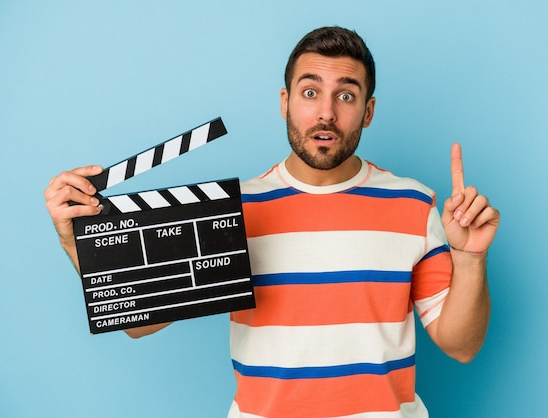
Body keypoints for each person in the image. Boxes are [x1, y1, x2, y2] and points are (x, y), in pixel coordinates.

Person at [45, 26, 500, 418]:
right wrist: (75, 244)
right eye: (309, 92)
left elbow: (461, 345)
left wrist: (470, 257)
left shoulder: (413, 202)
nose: (326, 112)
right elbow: (138, 322)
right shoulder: (236, 210)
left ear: (368, 111)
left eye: (346, 94)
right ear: (285, 102)